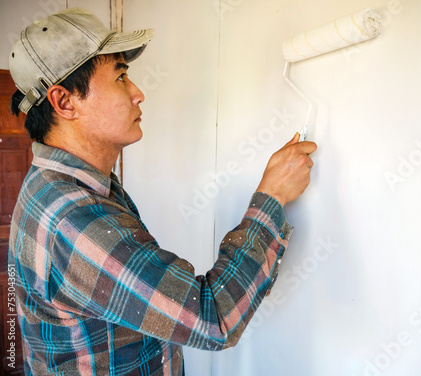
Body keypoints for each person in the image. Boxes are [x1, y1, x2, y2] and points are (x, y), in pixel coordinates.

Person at [8, 7, 317, 376]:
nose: (138, 93)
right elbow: (213, 319)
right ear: (64, 102)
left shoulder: (65, 184)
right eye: (121, 77)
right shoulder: (73, 218)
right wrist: (272, 198)